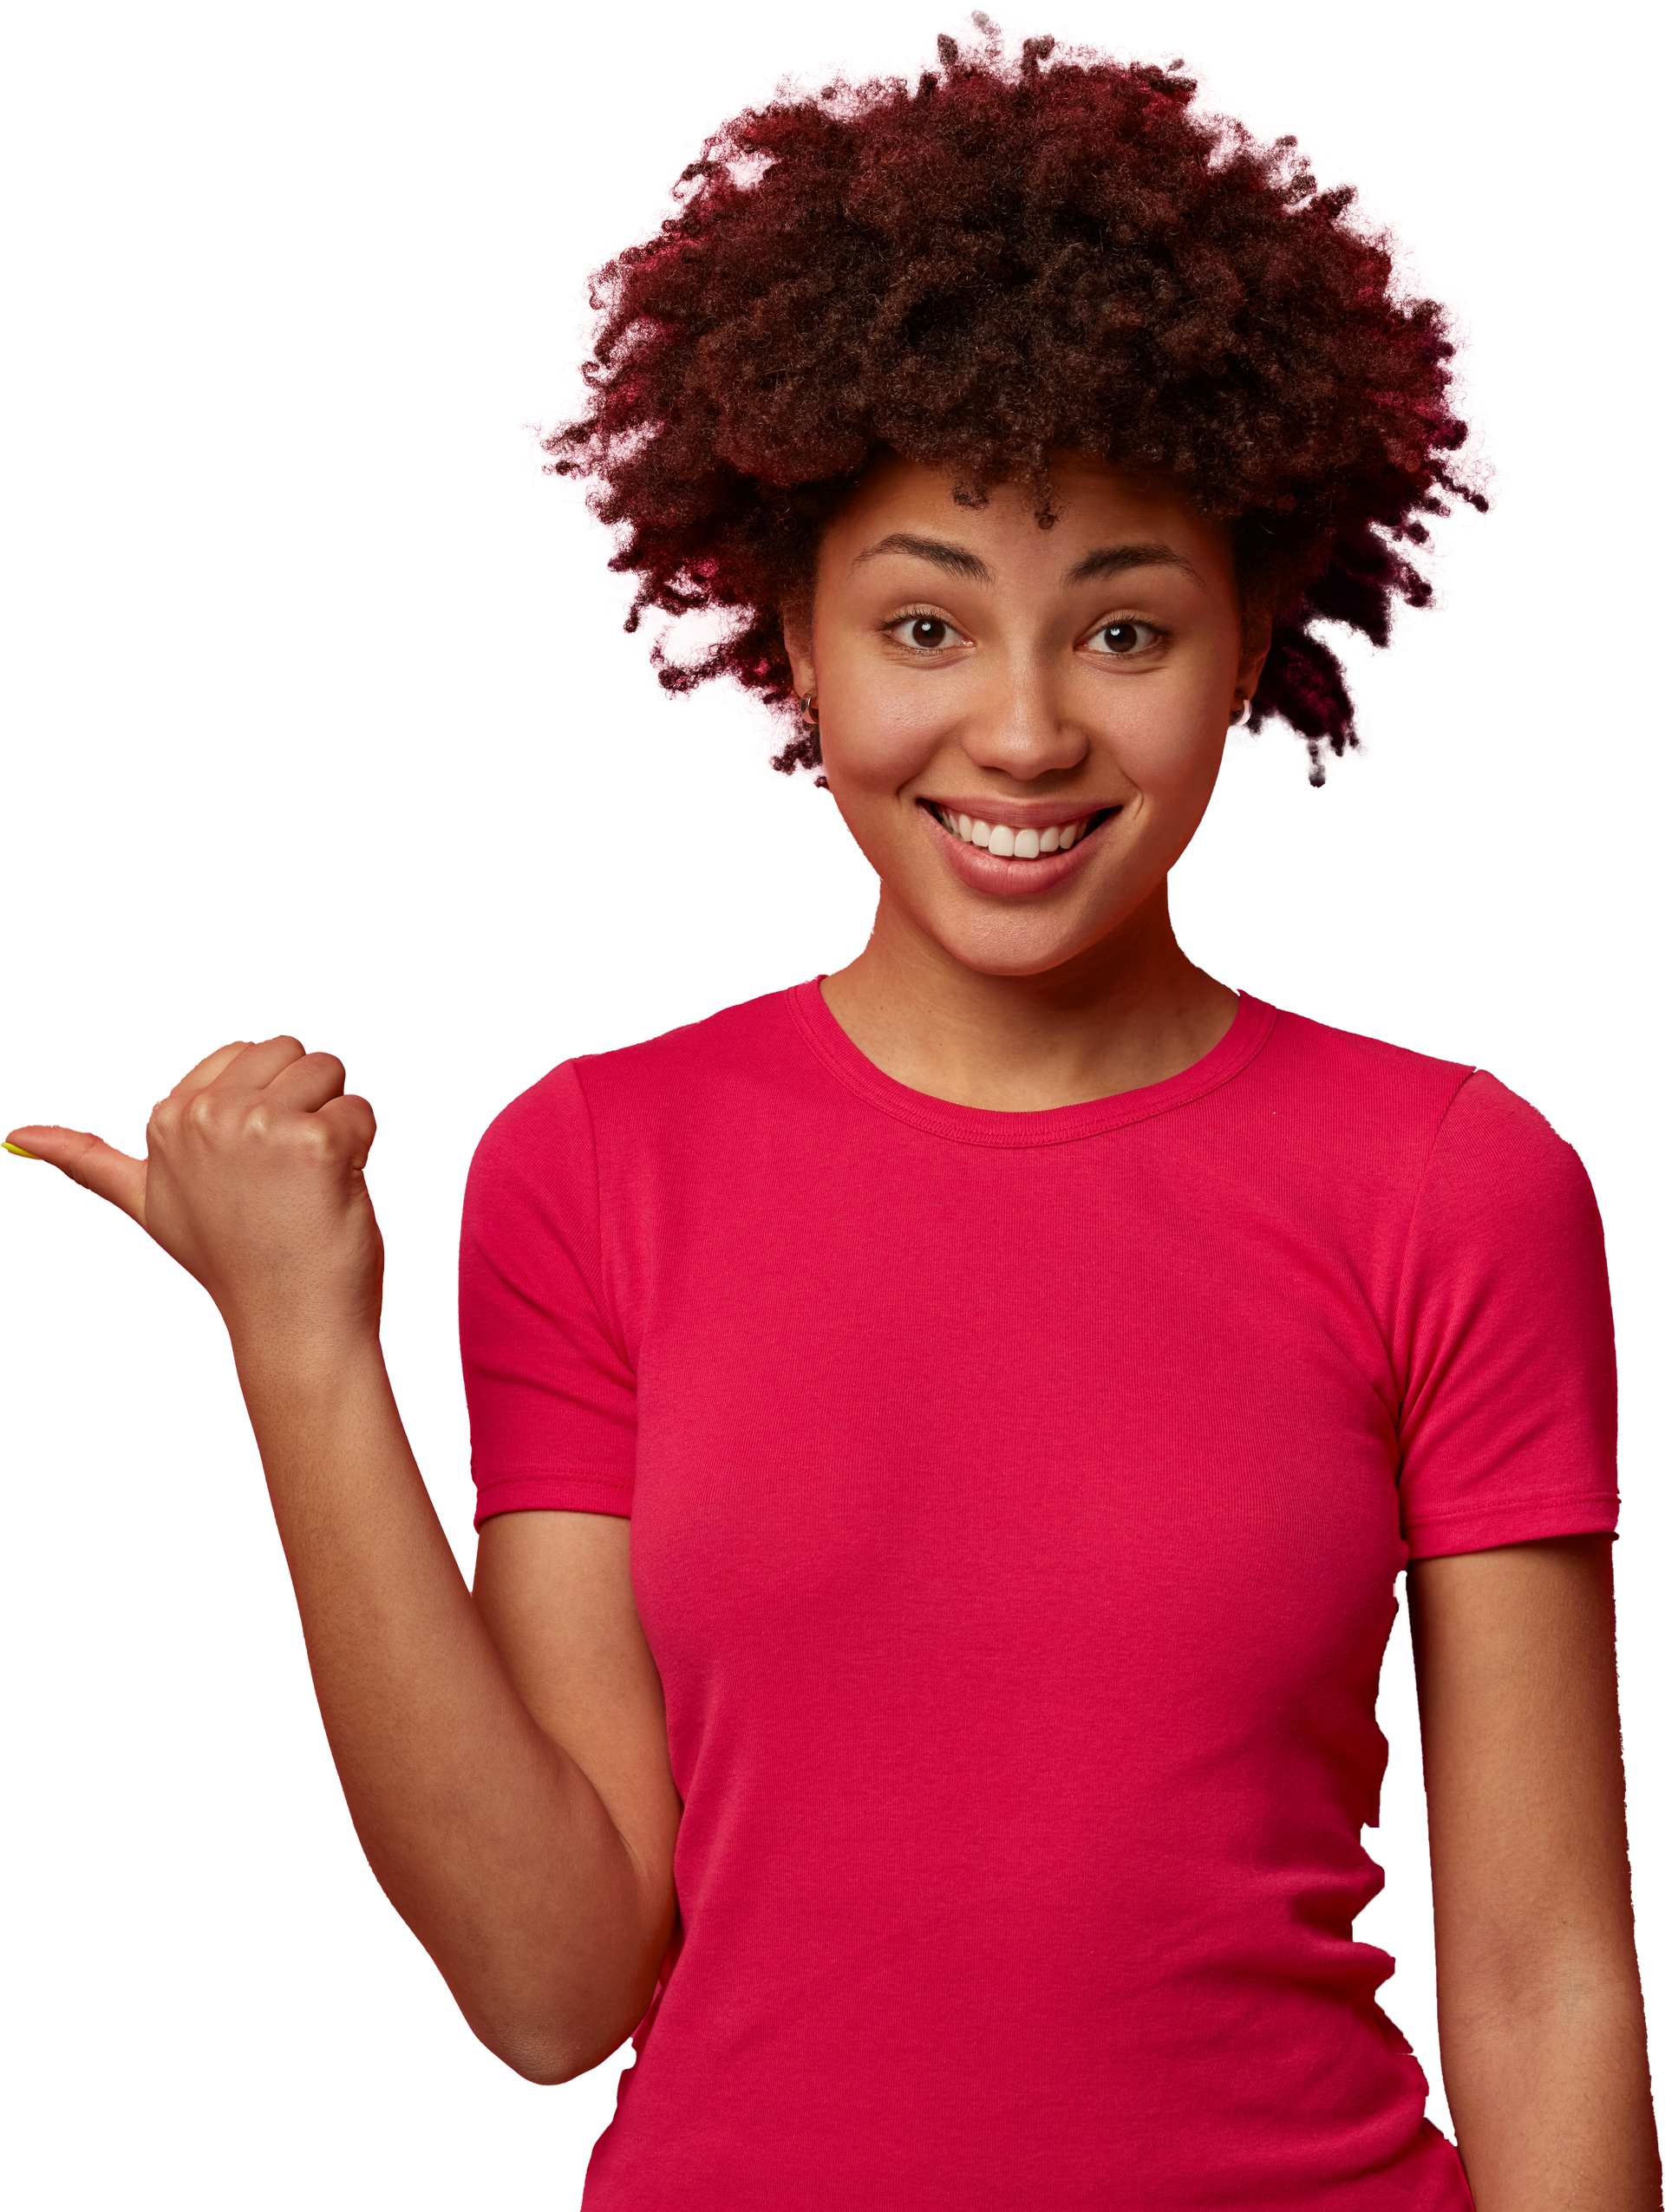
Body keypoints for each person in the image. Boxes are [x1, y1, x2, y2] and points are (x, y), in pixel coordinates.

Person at [4, 10, 1655, 2205]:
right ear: (789, 640)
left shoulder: (1456, 1181)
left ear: (1254, 653)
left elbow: (1544, 1974)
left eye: (1130, 633)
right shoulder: (593, 1165)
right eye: (926, 624)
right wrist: (298, 1346)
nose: (1030, 729)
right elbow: (550, 1985)